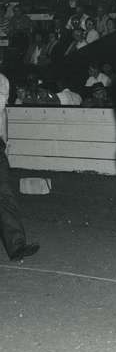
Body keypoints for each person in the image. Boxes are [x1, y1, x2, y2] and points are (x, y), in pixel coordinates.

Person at [0, 71, 39, 261]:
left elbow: (2, 113)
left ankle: (17, 246)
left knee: (5, 195)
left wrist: (4, 143)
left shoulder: (2, 81)